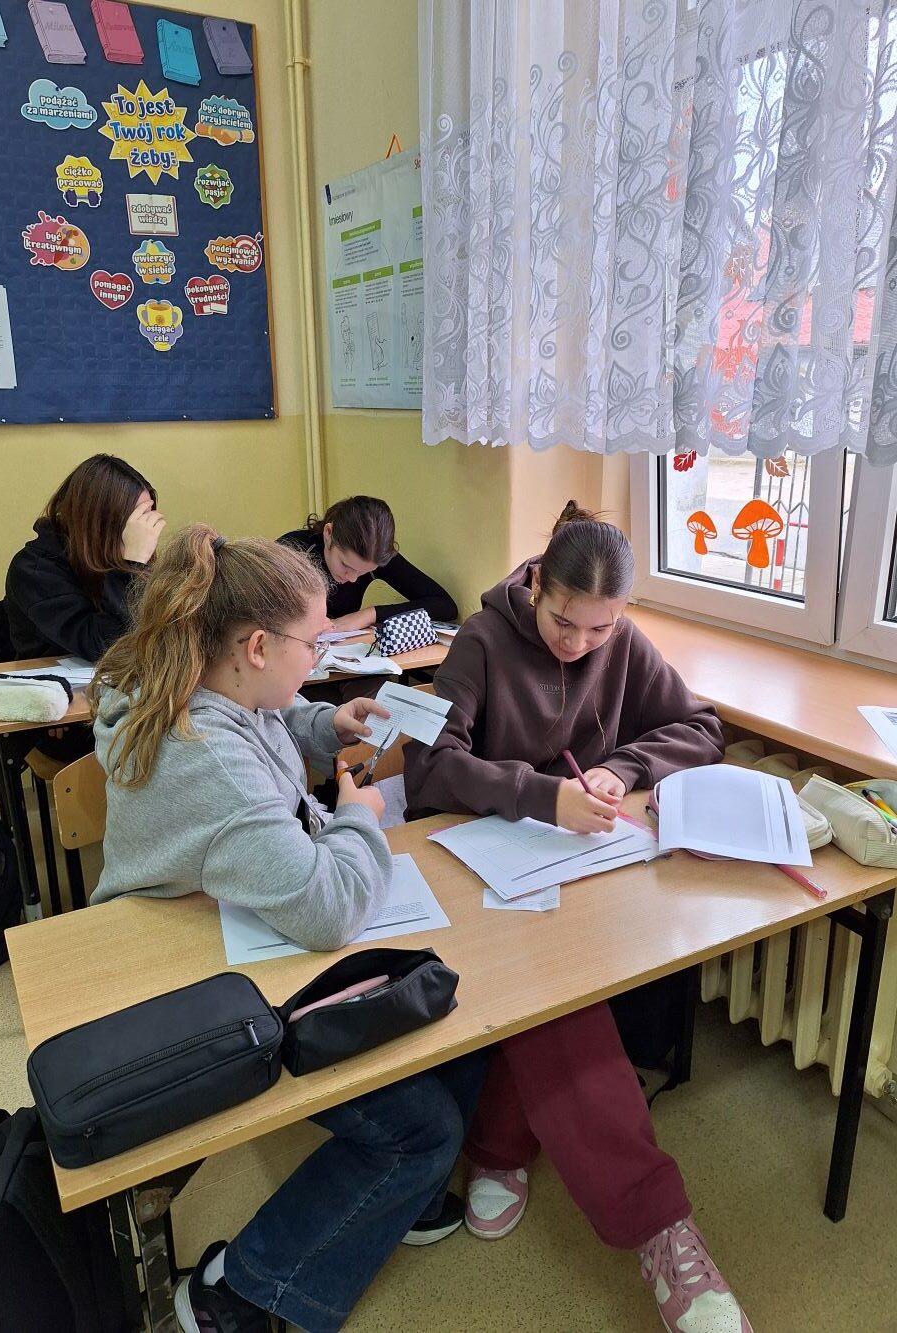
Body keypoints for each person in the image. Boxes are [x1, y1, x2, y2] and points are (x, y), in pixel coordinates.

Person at [88, 528, 484, 1333]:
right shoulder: (208, 760)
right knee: (424, 1128)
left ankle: (390, 1200)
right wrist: (358, 817)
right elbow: (328, 910)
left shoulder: (207, 678)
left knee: (450, 1017)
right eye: (315, 642)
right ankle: (234, 1292)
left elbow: (269, 719)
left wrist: (325, 723)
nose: (322, 654)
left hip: (225, 928)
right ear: (258, 646)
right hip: (179, 980)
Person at [403, 502, 752, 1333]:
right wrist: (541, 795)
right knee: (554, 995)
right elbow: (427, 768)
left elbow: (701, 726)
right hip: (478, 863)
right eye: (565, 621)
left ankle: (499, 1143)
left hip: (581, 865)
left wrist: (622, 768)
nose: (580, 642)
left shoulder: (620, 642)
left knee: (562, 993)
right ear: (535, 586)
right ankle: (661, 1231)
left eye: (601, 628)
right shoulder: (482, 640)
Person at [5, 454, 164, 662]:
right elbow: (104, 647)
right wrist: (132, 564)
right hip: (52, 677)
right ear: (98, 522)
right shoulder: (33, 571)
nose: (145, 531)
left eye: (148, 516)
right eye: (136, 519)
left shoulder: (117, 556)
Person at [279, 496, 457, 632]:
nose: (352, 578)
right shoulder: (291, 552)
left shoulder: (375, 555)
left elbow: (445, 606)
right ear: (328, 533)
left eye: (363, 572)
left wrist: (369, 615)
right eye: (346, 565)